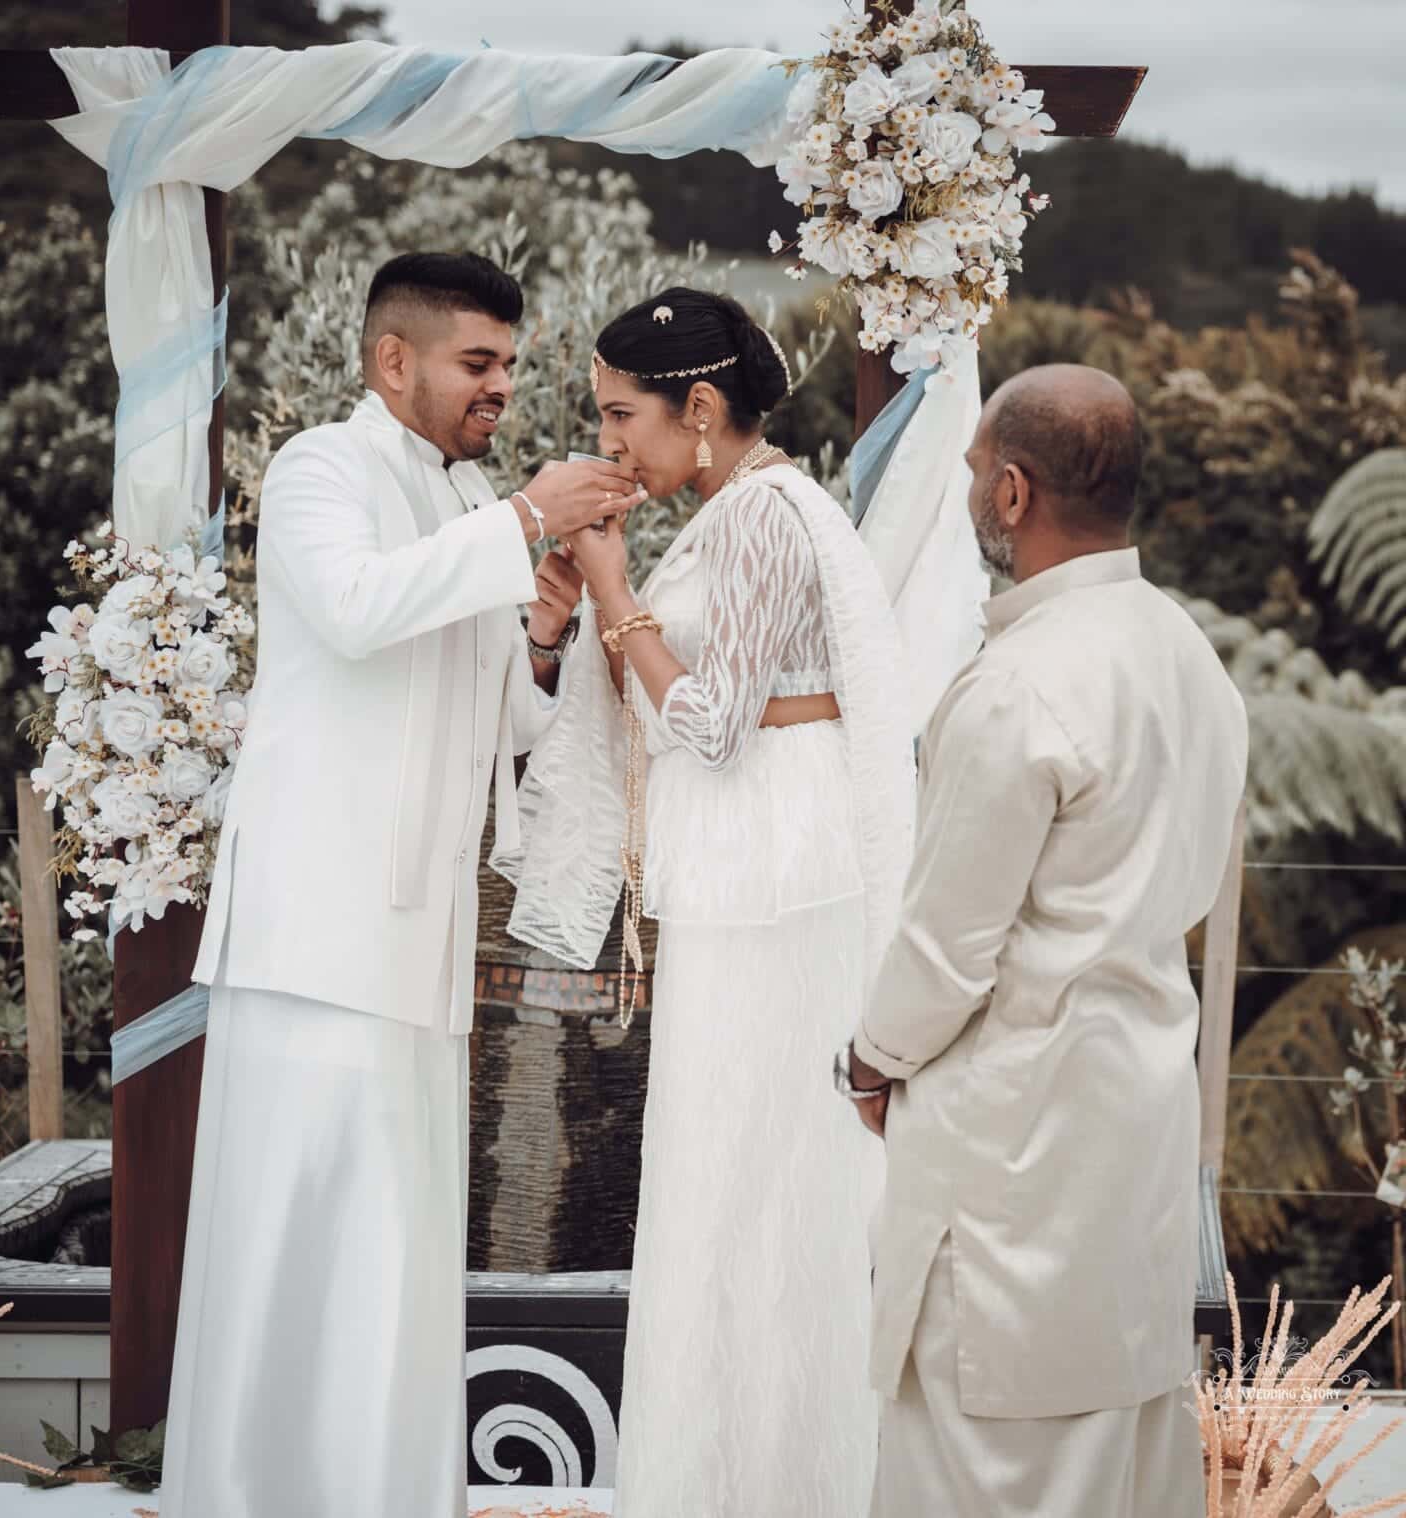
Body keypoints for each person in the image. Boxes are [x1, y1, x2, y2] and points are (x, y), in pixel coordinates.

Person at [157, 252, 646, 1518]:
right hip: (313, 934)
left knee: (395, 1257)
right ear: (394, 360)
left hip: (420, 944)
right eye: (477, 363)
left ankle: (378, 1494)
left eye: (508, 366)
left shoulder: (474, 492)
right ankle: (250, 1495)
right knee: (291, 1245)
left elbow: (506, 731)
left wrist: (538, 633)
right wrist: (528, 523)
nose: (499, 389)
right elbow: (357, 609)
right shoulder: (324, 466)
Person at [495, 287, 918, 1517]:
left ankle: (781, 1478)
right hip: (752, 886)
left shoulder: (769, 516)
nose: (611, 444)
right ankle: (728, 1469)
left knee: (767, 1188)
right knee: (727, 1184)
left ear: (701, 407)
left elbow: (714, 726)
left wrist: (616, 587)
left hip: (775, 889)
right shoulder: (738, 514)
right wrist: (578, 621)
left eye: (624, 416)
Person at [843, 364, 1248, 1518]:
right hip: (1140, 1119)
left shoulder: (1017, 684)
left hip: (1016, 1137)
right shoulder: (1189, 658)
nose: (974, 485)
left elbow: (945, 949)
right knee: (1124, 1458)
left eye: (976, 468)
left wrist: (868, 1062)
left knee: (982, 1465)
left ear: (1013, 494)